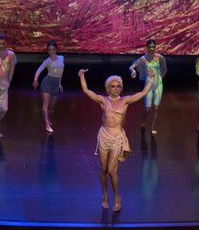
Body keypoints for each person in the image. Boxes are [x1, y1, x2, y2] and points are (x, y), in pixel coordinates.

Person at [79, 68, 155, 212]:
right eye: (113, 86)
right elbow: (86, 91)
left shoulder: (125, 100)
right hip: (103, 137)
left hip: (117, 138)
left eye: (118, 86)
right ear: (108, 88)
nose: (116, 89)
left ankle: (117, 197)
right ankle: (105, 196)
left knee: (112, 171)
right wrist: (82, 75)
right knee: (103, 169)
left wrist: (150, 78)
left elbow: (143, 93)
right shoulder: (103, 100)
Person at [129, 39, 167, 135]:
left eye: (153, 47)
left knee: (156, 107)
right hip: (148, 85)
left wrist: (160, 79)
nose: (152, 48)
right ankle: (143, 123)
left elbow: (165, 69)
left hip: (158, 84)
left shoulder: (160, 57)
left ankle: (152, 127)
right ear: (147, 48)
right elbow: (132, 66)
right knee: (147, 107)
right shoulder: (143, 59)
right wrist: (133, 71)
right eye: (150, 47)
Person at [32, 40, 64, 133]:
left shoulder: (61, 58)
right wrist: (35, 79)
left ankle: (47, 119)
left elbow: (61, 72)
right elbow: (38, 70)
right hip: (47, 83)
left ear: (56, 49)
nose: (51, 51)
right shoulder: (47, 61)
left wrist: (60, 83)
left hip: (56, 84)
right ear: (48, 51)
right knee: (45, 104)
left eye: (53, 49)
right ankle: (47, 124)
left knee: (52, 108)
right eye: (49, 50)